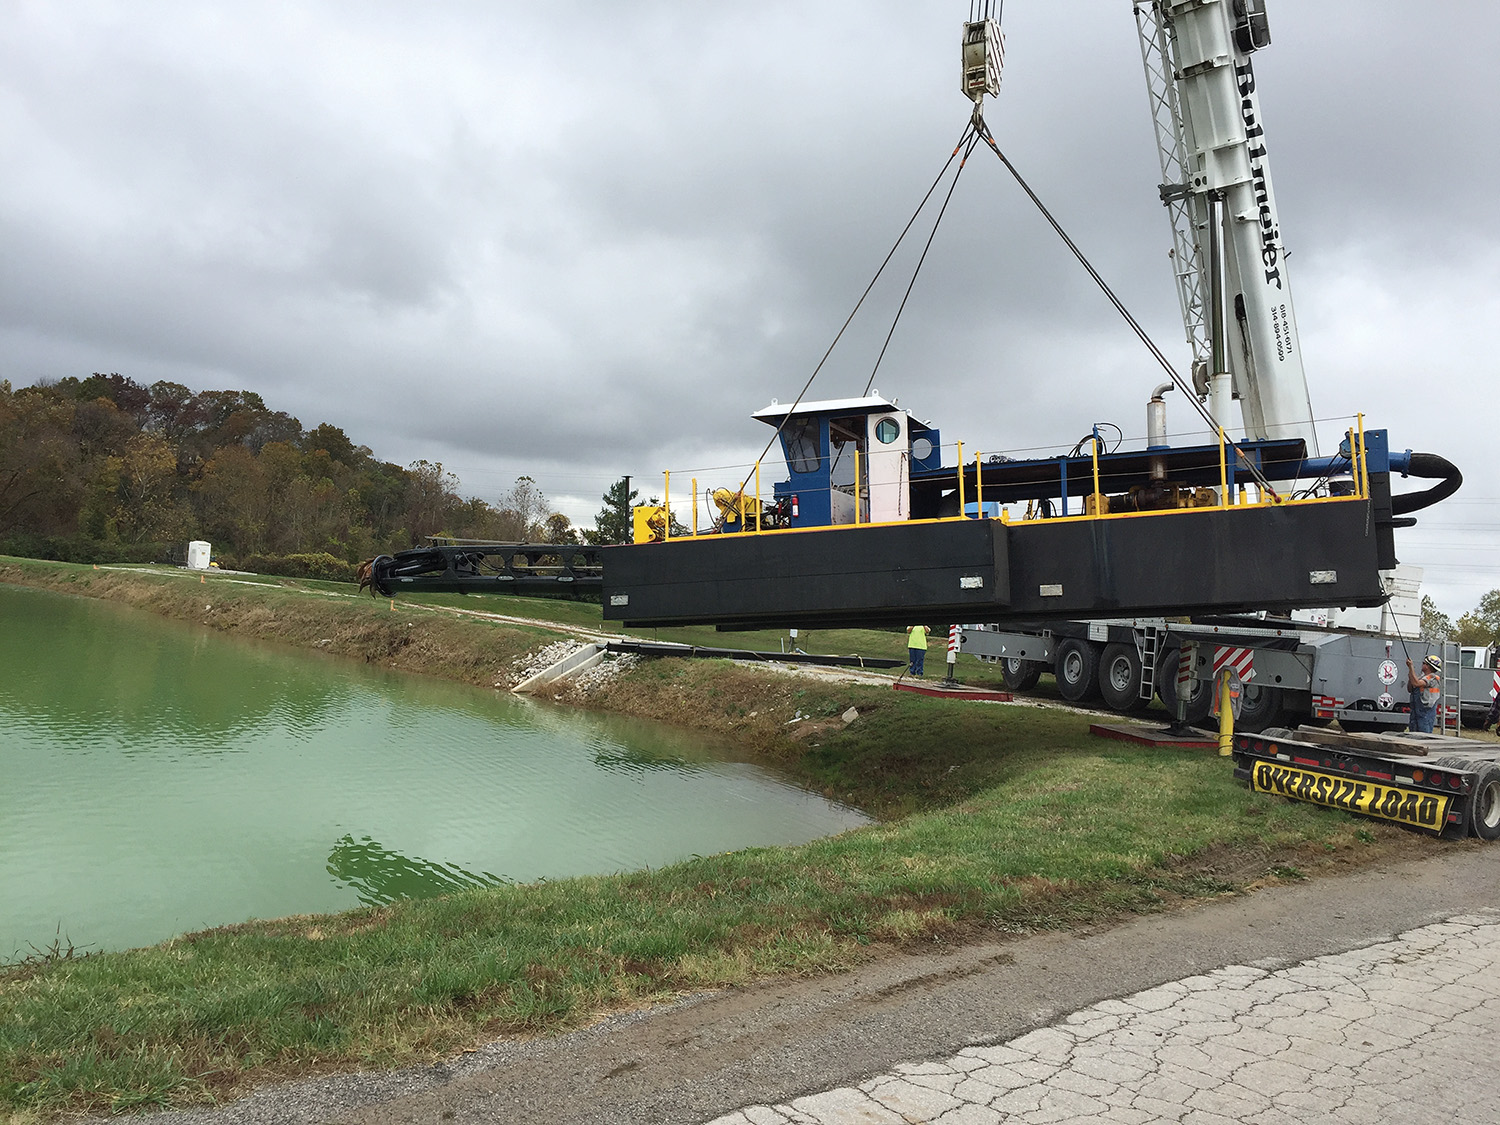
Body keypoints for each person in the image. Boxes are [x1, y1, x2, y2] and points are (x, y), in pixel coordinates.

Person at [1405, 653, 1442, 733]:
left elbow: (1416, 683)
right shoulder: (1421, 677)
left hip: (1426, 712)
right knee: (1413, 735)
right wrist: (1410, 674)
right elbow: (1410, 689)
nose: (1422, 664)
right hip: (1416, 711)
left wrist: (1411, 667)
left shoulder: (1433, 678)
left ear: (1428, 666)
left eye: (1424, 663)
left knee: (1423, 736)